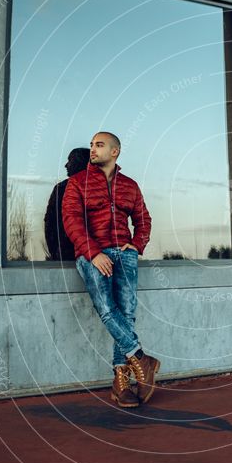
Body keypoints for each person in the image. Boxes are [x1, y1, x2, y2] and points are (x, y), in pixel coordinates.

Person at [61, 131, 159, 408]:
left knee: (126, 314)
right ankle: (141, 358)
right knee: (106, 309)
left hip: (124, 255)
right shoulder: (77, 183)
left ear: (114, 151)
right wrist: (92, 253)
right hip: (94, 255)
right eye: (92, 145)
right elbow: (71, 220)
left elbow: (143, 219)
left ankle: (121, 383)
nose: (93, 149)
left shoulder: (130, 185)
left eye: (99, 145)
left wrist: (136, 245)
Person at [43, 147, 90, 261]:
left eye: (70, 160)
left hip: (67, 255)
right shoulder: (104, 188)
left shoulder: (62, 189)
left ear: (79, 163)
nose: (66, 165)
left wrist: (56, 253)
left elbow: (50, 222)